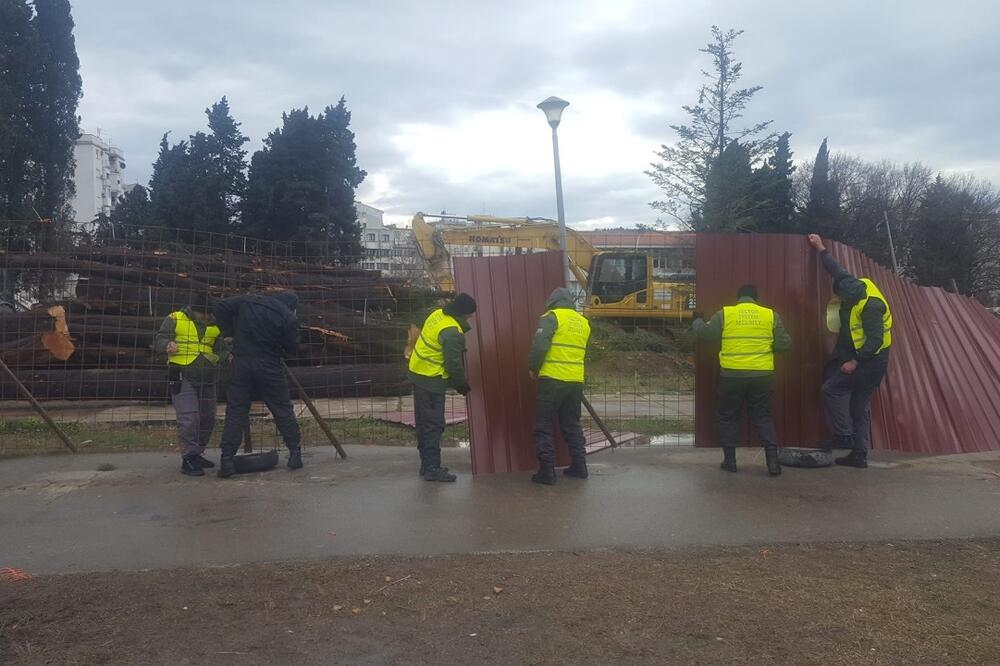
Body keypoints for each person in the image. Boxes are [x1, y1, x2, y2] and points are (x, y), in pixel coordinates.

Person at [807, 234, 892, 469]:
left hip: (871, 362)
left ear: (849, 296)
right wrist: (820, 248)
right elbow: (835, 269)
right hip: (865, 358)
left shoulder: (871, 306)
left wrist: (854, 362)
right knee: (859, 407)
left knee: (830, 389)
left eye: (841, 298)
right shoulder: (854, 283)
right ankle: (859, 454)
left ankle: (844, 436)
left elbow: (875, 340)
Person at [693, 284, 792, 475]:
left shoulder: (725, 314)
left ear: (738, 298)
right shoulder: (770, 315)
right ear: (756, 298)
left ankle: (730, 462)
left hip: (732, 374)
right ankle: (773, 463)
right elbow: (785, 344)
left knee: (728, 416)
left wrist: (697, 321)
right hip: (762, 374)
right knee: (762, 416)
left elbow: (706, 335)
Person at [213, 291, 302, 478]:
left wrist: (229, 332)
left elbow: (220, 306)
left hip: (241, 362)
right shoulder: (288, 317)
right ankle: (295, 453)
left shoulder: (248, 300)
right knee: (282, 409)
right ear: (292, 306)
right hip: (269, 365)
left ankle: (227, 460)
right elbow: (292, 348)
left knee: (236, 410)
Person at [407, 293, 476, 482]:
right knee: (433, 425)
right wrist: (461, 385)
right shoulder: (452, 332)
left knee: (423, 423)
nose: (471, 318)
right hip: (431, 379)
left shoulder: (437, 314)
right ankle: (432, 469)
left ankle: (426, 465)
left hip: (418, 372)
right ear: (463, 313)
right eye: (470, 315)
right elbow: (453, 364)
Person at [154, 296, 224, 477]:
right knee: (189, 417)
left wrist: (224, 357)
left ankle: (198, 452)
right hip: (182, 375)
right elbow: (160, 339)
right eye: (203, 313)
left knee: (208, 417)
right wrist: (166, 345)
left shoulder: (216, 325)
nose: (206, 317)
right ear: (193, 310)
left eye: (209, 314)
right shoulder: (175, 318)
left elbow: (221, 348)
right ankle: (188, 457)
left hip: (208, 376)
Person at [528, 287, 591, 485]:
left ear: (552, 302)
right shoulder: (583, 322)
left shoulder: (551, 317)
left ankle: (547, 472)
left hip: (553, 379)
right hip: (575, 381)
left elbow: (540, 345)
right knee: (571, 424)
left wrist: (533, 367)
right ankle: (580, 467)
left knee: (543, 424)